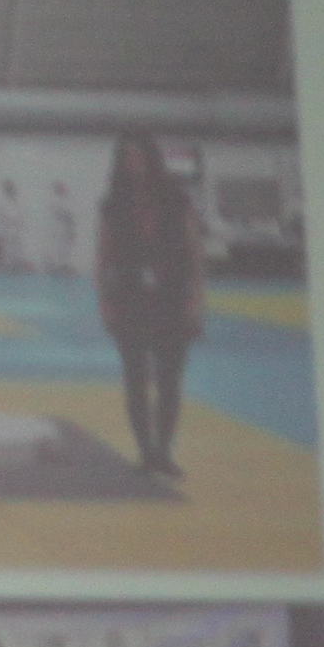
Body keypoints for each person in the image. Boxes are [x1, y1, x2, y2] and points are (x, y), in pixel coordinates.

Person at [93, 130, 207, 484]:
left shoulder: (175, 198)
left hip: (171, 297)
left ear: (152, 158)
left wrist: (196, 298)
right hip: (129, 297)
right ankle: (145, 452)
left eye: (139, 156)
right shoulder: (113, 203)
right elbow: (102, 256)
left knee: (170, 381)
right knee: (135, 380)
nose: (134, 164)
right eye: (127, 158)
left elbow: (194, 251)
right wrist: (104, 300)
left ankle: (164, 452)